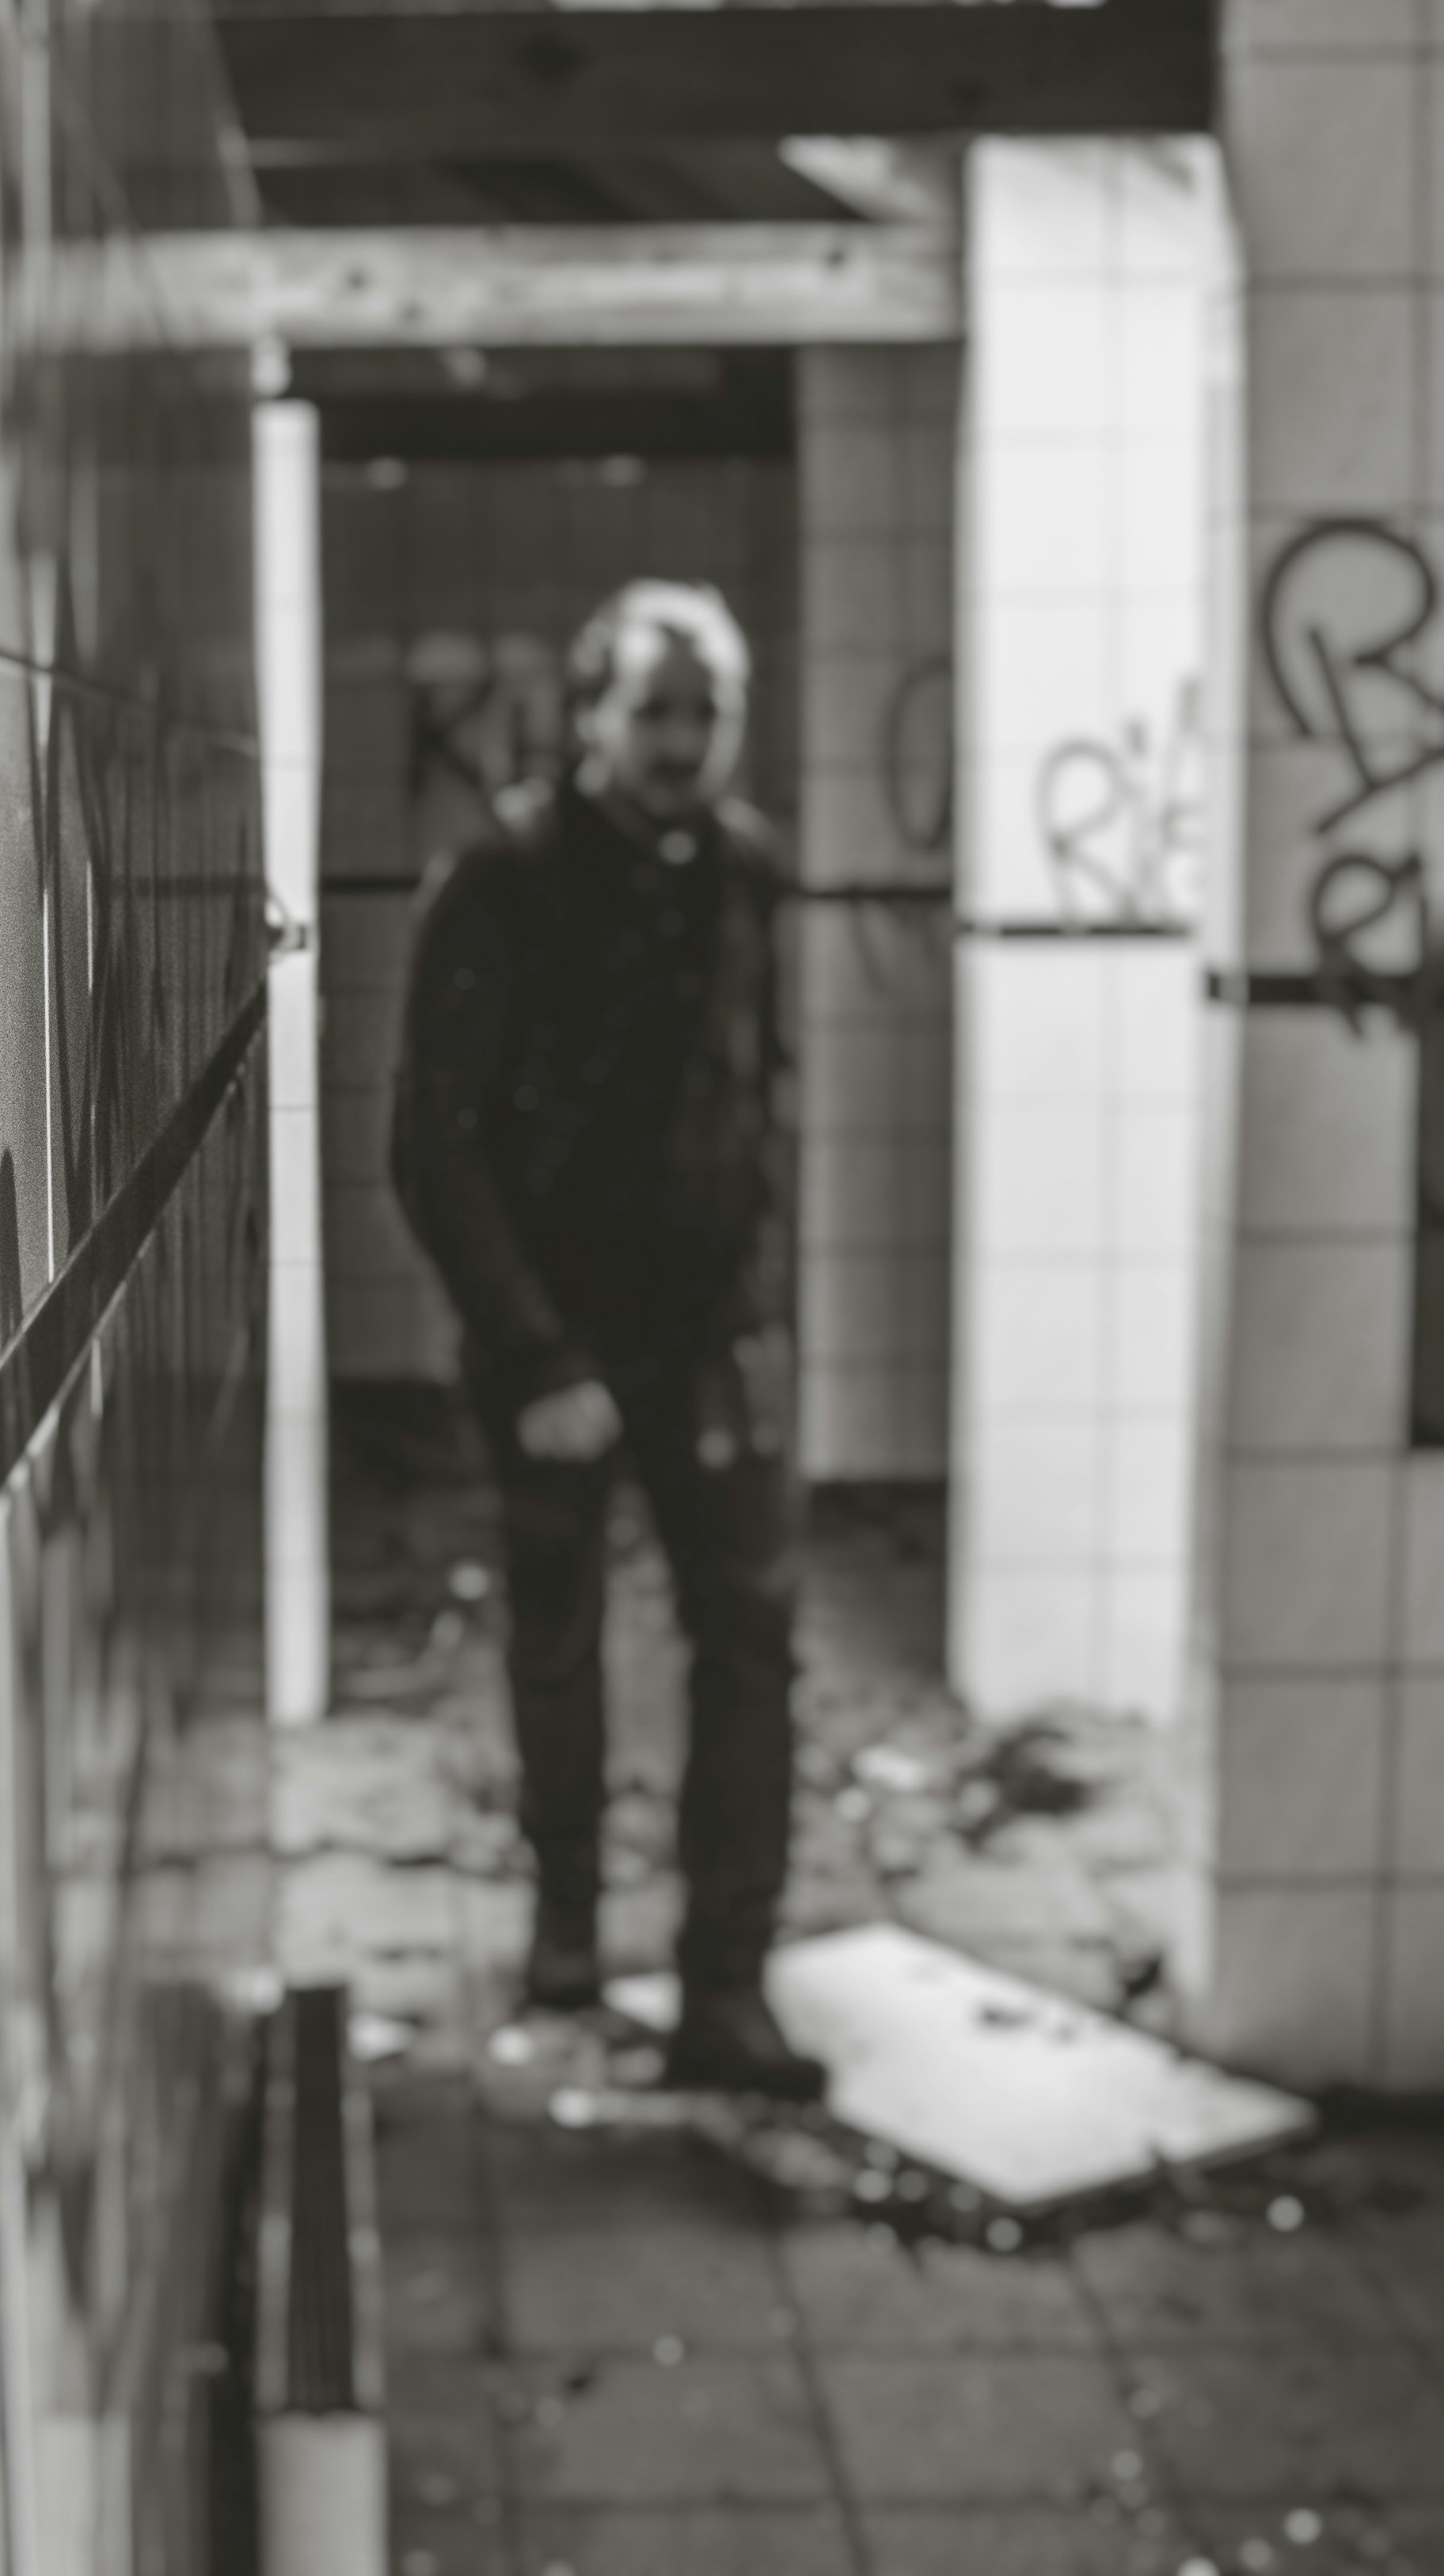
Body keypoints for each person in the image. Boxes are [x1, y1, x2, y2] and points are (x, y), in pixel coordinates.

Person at [391, 579, 824, 2101]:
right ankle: (566, 1929)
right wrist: (536, 1354)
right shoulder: (504, 880)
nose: (680, 745)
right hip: (555, 1347)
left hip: (710, 1336)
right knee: (559, 1639)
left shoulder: (750, 874)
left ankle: (728, 1986)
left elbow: (757, 1105)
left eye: (705, 718)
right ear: (590, 715)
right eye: (654, 713)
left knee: (751, 1647)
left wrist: (762, 1316)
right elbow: (434, 1153)